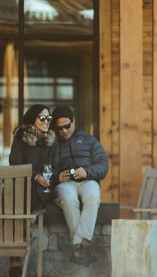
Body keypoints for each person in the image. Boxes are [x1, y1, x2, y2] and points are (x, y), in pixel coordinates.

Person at [51, 105, 108, 265]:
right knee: (68, 199)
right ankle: (81, 246)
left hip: (87, 180)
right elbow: (46, 169)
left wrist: (87, 172)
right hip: (65, 183)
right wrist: (57, 177)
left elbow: (103, 165)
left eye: (67, 126)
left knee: (92, 196)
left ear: (73, 121)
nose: (64, 131)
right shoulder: (53, 144)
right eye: (59, 128)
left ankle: (78, 247)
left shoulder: (89, 140)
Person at [7, 104, 57, 277]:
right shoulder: (21, 137)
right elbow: (15, 163)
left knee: (19, 205)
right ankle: (15, 259)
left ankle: (15, 259)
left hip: (41, 191)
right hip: (22, 188)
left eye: (49, 118)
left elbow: (53, 166)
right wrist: (35, 176)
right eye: (42, 118)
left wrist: (45, 178)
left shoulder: (51, 140)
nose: (46, 122)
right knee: (15, 203)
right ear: (32, 119)